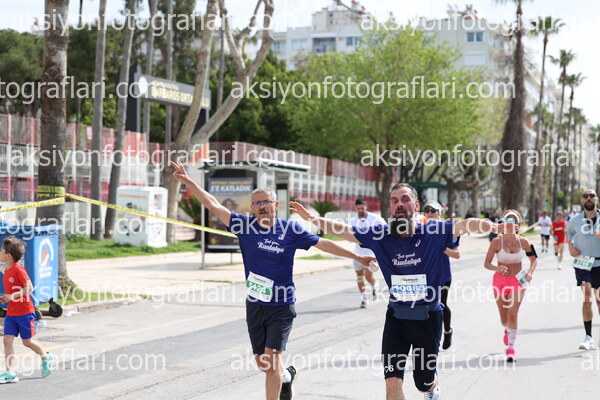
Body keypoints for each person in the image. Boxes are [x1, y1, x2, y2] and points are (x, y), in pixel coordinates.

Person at [170, 160, 373, 400]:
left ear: (276, 205)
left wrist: (357, 256)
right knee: (264, 364)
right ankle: (286, 377)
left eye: (266, 201)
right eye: (257, 203)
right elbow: (212, 204)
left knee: (272, 359)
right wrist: (188, 180)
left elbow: (324, 244)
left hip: (281, 305)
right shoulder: (243, 226)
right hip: (255, 304)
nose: (262, 206)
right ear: (252, 208)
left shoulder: (290, 230)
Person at [290, 183, 506, 400]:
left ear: (416, 205)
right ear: (390, 208)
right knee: (392, 381)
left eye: (405, 199)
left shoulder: (433, 230)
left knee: (423, 383)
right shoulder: (380, 235)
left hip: (428, 318)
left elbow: (466, 225)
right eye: (394, 201)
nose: (399, 204)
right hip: (397, 318)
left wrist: (494, 227)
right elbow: (345, 231)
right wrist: (312, 218)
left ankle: (431, 386)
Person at [484, 210, 537, 362]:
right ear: (503, 224)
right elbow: (486, 263)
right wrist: (497, 268)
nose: (511, 224)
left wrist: (530, 273)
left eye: (515, 221)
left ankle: (510, 349)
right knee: (504, 319)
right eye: (509, 221)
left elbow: (534, 259)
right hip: (500, 281)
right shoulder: (496, 242)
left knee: (513, 314)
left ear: (518, 225)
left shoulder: (524, 242)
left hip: (518, 280)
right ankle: (507, 329)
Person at [0, 237, 53, 383]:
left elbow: (29, 288)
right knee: (7, 340)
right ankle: (10, 372)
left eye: (1, 250)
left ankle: (45, 357)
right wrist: (7, 298)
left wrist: (12, 296)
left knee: (27, 342)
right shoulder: (7, 270)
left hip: (25, 312)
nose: (0, 252)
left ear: (9, 255)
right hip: (12, 312)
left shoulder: (18, 269)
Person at [423, 201, 460, 350]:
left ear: (440, 213)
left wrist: (442, 248)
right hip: (425, 275)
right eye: (427, 211)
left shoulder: (448, 230)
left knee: (441, 304)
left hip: (443, 274)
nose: (430, 213)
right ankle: (430, 337)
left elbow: (457, 254)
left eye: (433, 211)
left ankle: (447, 331)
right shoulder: (420, 229)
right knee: (425, 306)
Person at [566, 189, 600, 351]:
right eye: (585, 196)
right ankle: (588, 337)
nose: (588, 198)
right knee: (587, 298)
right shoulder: (574, 220)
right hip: (583, 263)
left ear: (596, 199)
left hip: (599, 263)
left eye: (591, 196)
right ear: (582, 200)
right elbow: (569, 235)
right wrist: (570, 248)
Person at [349, 199, 385, 308]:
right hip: (358, 254)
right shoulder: (353, 221)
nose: (360, 210)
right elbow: (349, 235)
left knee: (369, 276)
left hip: (371, 253)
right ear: (355, 208)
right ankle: (364, 298)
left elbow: (385, 230)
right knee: (359, 277)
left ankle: (374, 286)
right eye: (358, 208)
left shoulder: (375, 218)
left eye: (362, 208)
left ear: (366, 207)